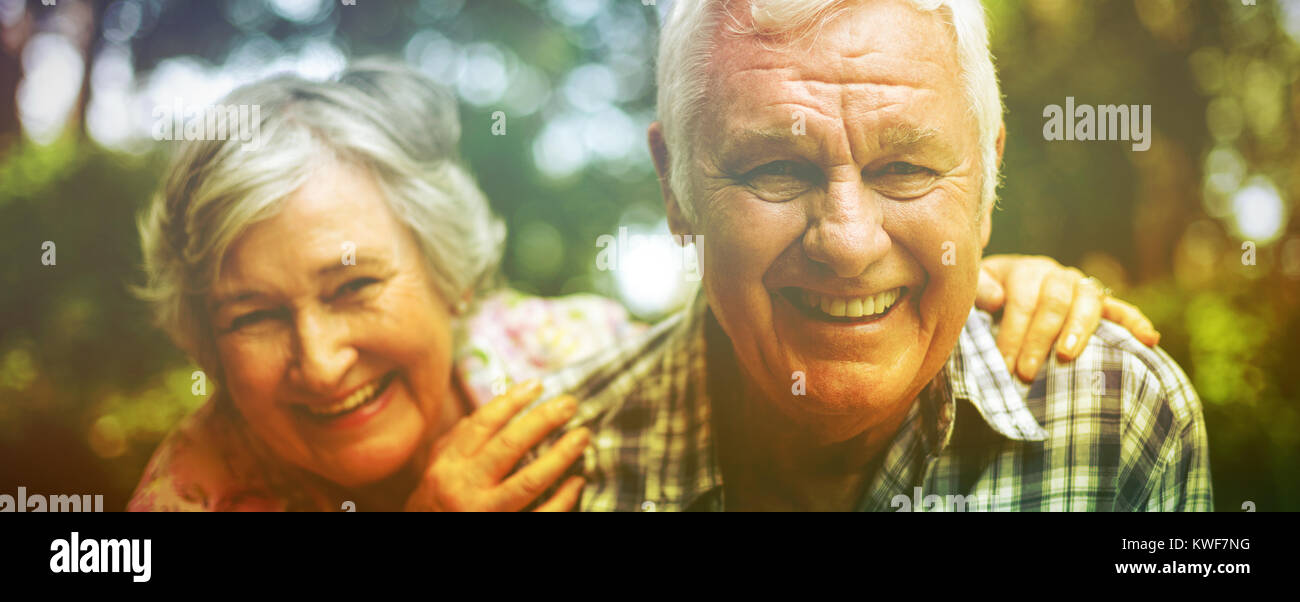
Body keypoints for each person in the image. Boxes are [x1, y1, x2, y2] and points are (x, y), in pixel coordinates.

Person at [127, 59, 1160, 512]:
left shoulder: (572, 365)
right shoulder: (191, 489)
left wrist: (961, 280)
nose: (317, 357)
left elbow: (767, 320)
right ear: (206, 347)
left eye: (353, 285)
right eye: (252, 316)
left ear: (444, 274)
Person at [547, 0, 1212, 511]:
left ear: (986, 182)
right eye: (778, 168)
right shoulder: (551, 476)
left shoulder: (1117, 419)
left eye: (903, 167)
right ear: (675, 188)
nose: (848, 242)